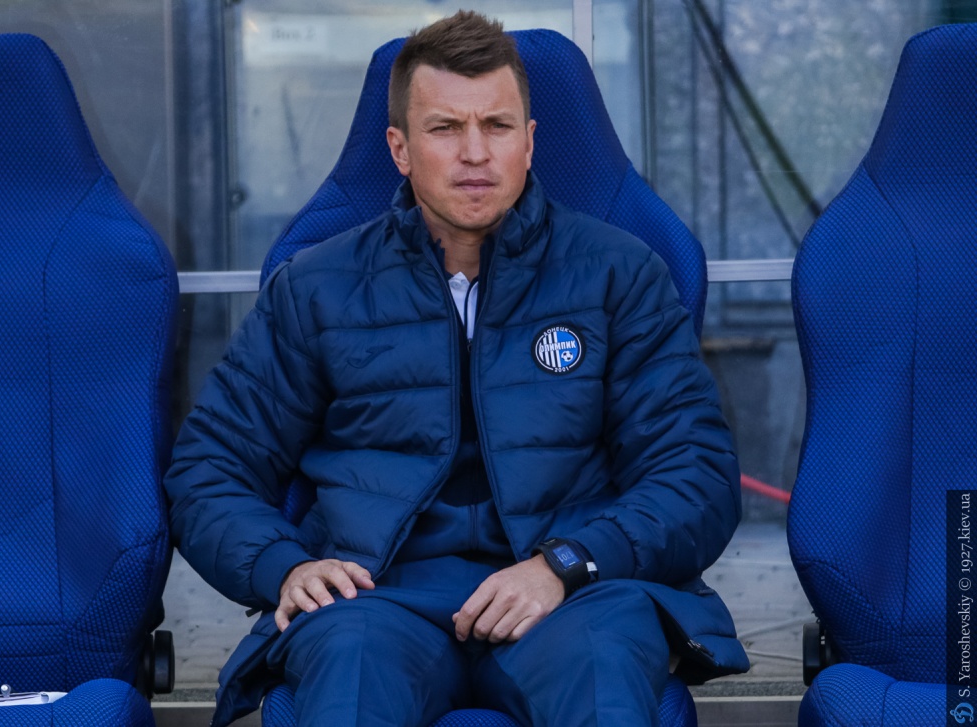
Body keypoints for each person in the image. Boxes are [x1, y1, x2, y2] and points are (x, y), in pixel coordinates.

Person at [165, 10, 748, 727]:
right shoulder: (316, 288)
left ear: (529, 142)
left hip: (573, 597)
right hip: (379, 597)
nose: (475, 153)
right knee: (348, 674)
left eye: (497, 126)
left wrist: (568, 563)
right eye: (445, 128)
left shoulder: (619, 275)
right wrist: (283, 565)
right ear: (400, 149)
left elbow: (697, 474)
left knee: (605, 674)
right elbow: (210, 467)